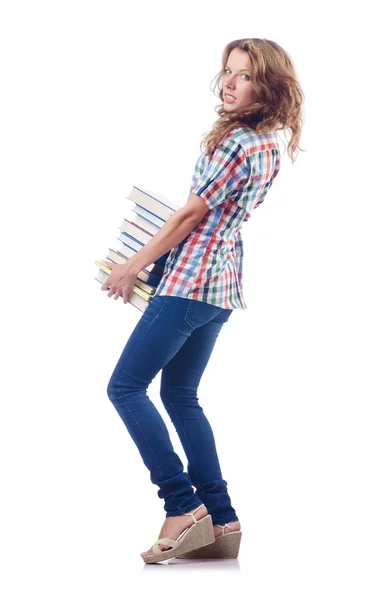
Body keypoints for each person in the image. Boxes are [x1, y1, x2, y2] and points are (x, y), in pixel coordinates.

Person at [100, 37, 304, 564]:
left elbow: (189, 217)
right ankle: (222, 518)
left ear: (270, 86)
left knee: (124, 387)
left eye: (245, 75)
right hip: (222, 283)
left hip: (190, 281)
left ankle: (182, 505)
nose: (230, 83)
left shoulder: (239, 143)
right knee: (182, 396)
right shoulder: (268, 143)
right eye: (228, 72)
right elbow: (212, 217)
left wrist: (132, 265)